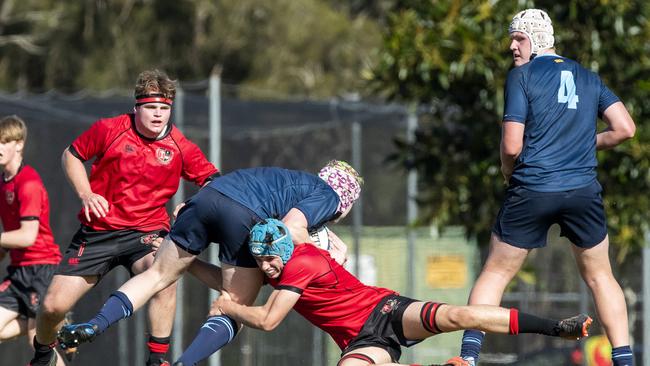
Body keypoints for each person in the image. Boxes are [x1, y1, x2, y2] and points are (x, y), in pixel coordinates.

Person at [457, 9, 636, 366]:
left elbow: (511, 145)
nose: (512, 46)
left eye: (519, 38)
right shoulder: (588, 77)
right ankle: (625, 360)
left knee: (495, 272)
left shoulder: (522, 75)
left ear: (538, 39)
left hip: (534, 186)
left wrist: (508, 172)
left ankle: (468, 357)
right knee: (601, 276)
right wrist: (584, 144)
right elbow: (625, 128)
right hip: (582, 190)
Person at [56, 161, 362, 365]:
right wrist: (323, 251)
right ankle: (184, 363)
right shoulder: (329, 195)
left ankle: (94, 324)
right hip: (243, 213)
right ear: (347, 199)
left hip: (206, 198)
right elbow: (292, 227)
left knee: (158, 275)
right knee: (235, 306)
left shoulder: (294, 180)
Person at [180, 219, 592, 366]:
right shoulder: (280, 270)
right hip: (361, 340)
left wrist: (229, 309)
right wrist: (186, 263)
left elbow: (268, 320)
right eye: (261, 260)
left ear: (284, 252)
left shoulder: (299, 264)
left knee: (460, 316)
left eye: (269, 259)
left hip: (385, 310)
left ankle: (558, 327)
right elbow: (229, 284)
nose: (264, 267)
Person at [29, 70, 220, 366]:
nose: (158, 115)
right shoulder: (110, 130)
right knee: (53, 307)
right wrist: (86, 193)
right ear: (137, 107)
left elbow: (214, 182)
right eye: (152, 107)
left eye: (165, 108)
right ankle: (43, 355)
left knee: (165, 276)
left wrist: (191, 204)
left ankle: (157, 361)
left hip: (147, 234)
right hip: (98, 232)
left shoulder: (180, 146)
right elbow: (72, 155)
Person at [0, 116, 65, 366]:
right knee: (33, 332)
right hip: (19, 273)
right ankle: (46, 320)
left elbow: (28, 235)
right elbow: (9, 239)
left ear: (19, 145)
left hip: (43, 269)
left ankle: (46, 322)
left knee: (36, 340)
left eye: (4, 141)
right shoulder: (3, 184)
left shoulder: (28, 183)